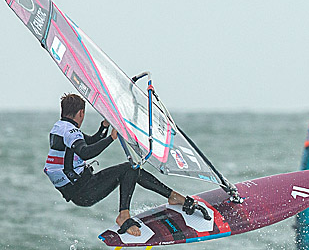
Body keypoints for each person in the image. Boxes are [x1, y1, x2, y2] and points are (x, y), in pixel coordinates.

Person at [44, 93, 208, 237]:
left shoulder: (60, 128)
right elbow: (86, 152)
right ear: (81, 113)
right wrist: (111, 138)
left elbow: (91, 141)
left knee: (133, 170)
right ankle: (124, 215)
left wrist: (104, 127)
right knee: (130, 168)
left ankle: (172, 196)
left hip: (81, 188)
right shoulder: (70, 131)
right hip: (83, 190)